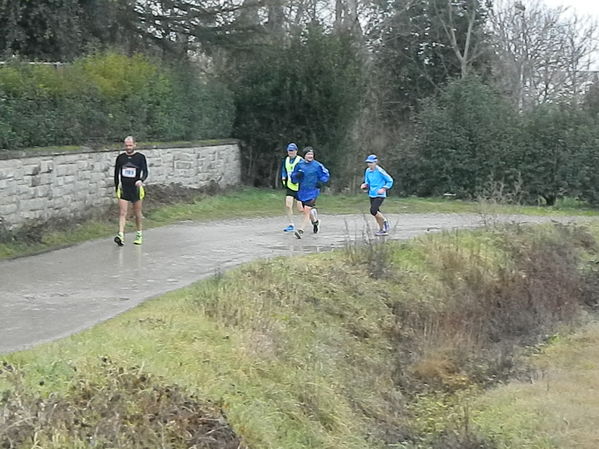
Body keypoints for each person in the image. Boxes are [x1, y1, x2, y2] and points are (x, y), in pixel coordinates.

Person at [113, 136, 148, 246]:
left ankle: (139, 234)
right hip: (124, 188)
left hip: (136, 189)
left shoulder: (140, 157)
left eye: (130, 145)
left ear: (134, 145)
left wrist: (141, 180)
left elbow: (145, 172)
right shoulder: (120, 158)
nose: (128, 148)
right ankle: (121, 235)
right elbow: (116, 174)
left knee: (137, 213)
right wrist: (116, 187)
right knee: (122, 212)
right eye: (126, 145)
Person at [290, 147, 330, 239]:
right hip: (302, 191)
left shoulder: (317, 165)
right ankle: (315, 222)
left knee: (307, 211)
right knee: (303, 210)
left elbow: (325, 175)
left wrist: (321, 181)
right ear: (304, 156)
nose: (310, 156)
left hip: (313, 191)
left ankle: (300, 230)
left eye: (311, 154)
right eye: (308, 154)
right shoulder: (299, 165)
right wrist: (297, 176)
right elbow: (293, 178)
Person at [361, 154, 393, 236]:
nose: (369, 164)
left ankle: (385, 222)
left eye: (371, 163)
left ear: (376, 162)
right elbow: (367, 182)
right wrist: (364, 185)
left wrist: (384, 188)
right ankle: (382, 230)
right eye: (368, 162)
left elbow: (390, 180)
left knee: (373, 211)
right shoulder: (367, 171)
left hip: (380, 194)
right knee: (376, 213)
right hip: (372, 194)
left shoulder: (380, 171)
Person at [280, 142, 303, 232]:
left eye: (292, 151)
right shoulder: (286, 160)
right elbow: (284, 169)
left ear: (296, 151)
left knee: (301, 209)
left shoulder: (300, 160)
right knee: (288, 205)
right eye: (289, 151)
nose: (291, 152)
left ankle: (314, 218)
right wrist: (283, 176)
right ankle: (291, 224)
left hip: (299, 187)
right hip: (290, 186)